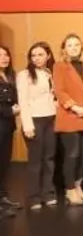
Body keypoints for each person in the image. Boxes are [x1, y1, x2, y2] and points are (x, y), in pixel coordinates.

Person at [52, 33, 83, 204]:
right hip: (70, 115)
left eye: (76, 45)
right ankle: (69, 189)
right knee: (72, 154)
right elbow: (59, 90)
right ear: (64, 49)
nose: (73, 48)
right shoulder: (59, 66)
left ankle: (78, 185)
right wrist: (75, 107)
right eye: (69, 45)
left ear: (81, 47)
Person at [16, 42, 58, 209]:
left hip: (50, 118)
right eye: (33, 55)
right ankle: (33, 196)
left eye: (40, 54)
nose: (36, 58)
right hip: (34, 120)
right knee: (35, 160)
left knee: (49, 158)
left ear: (48, 56)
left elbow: (53, 96)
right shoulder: (24, 75)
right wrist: (27, 125)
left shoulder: (50, 72)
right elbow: (23, 100)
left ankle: (48, 193)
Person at [0, 46, 17, 214]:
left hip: (8, 126)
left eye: (6, 54)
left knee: (4, 163)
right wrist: (10, 110)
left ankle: (3, 198)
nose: (4, 58)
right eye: (0, 55)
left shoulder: (10, 76)